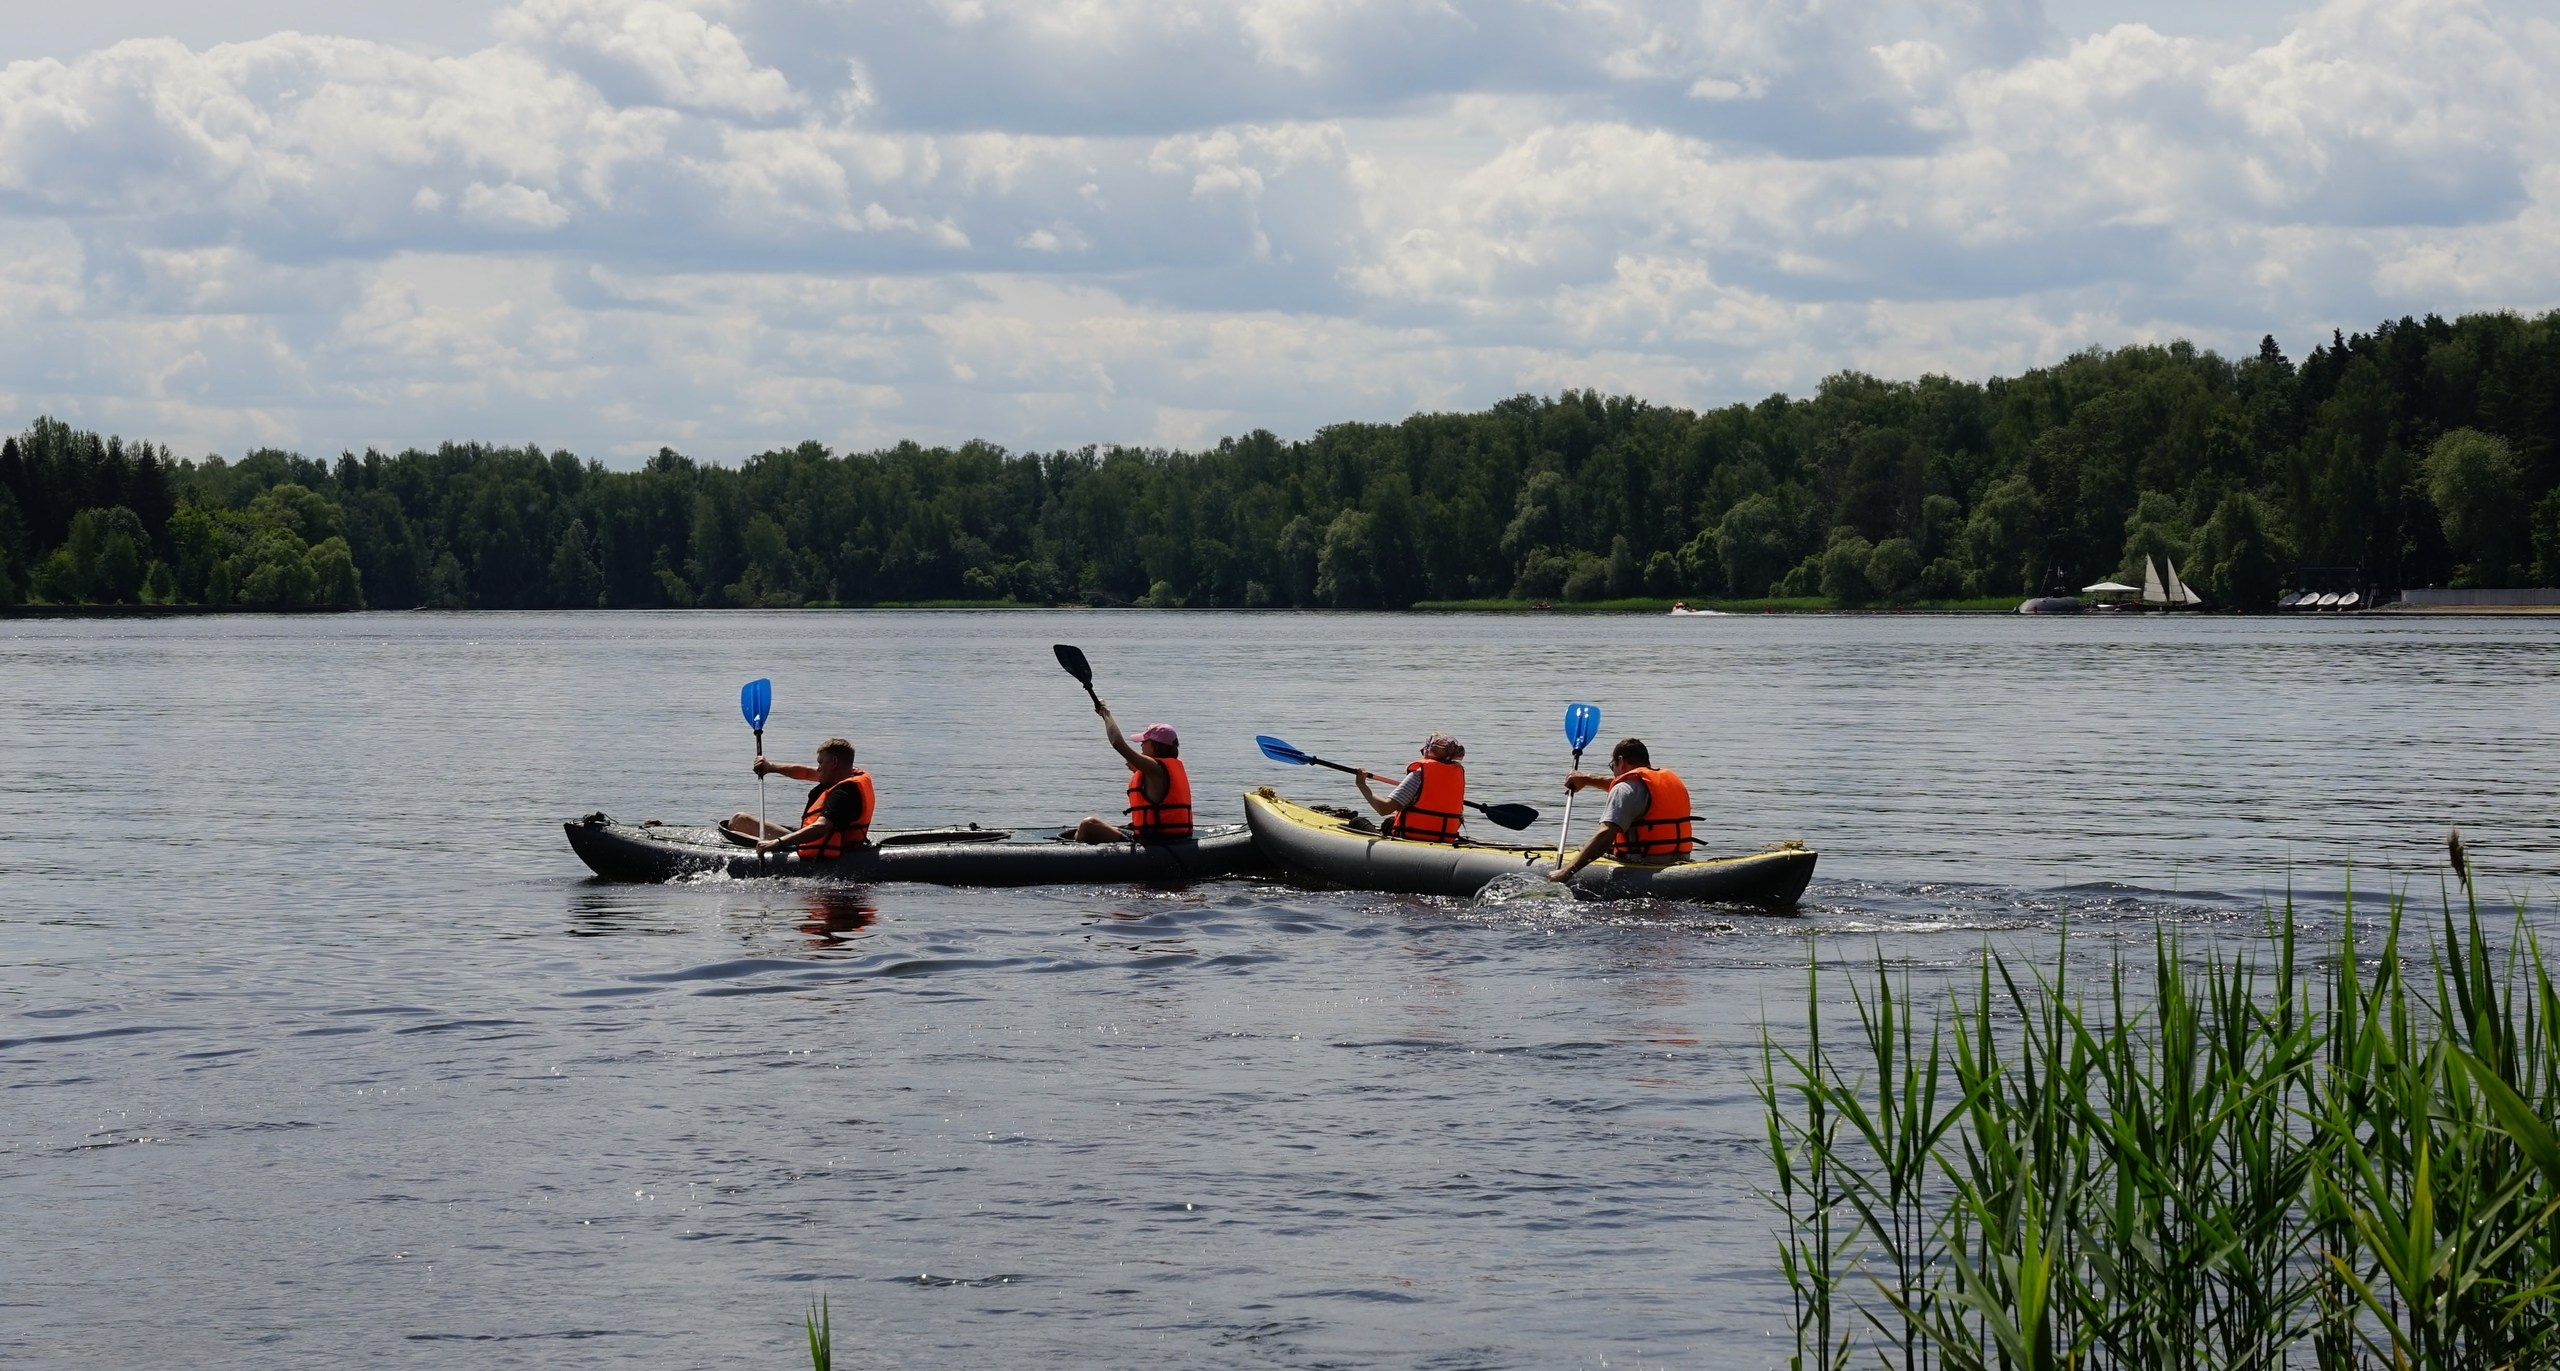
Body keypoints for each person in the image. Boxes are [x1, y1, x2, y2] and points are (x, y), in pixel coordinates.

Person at [1548, 737, 1693, 880]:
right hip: (1681, 859)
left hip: (1643, 862)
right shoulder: (1668, 782)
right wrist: (1586, 779)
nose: (1614, 773)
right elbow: (1628, 788)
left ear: (1621, 761)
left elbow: (1605, 834)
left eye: (1613, 766)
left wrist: (1566, 872)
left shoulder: (1624, 789)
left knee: (1585, 848)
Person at [725, 736, 875, 858]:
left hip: (823, 846)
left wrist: (778, 843)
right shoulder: (845, 775)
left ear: (834, 762)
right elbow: (806, 773)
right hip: (820, 840)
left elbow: (821, 827)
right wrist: (771, 767)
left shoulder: (843, 794)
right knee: (739, 820)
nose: (818, 768)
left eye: (821, 762)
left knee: (738, 826)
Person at [1073, 699, 1192, 843]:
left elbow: (1118, 743)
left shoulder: (1155, 768)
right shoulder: (1158, 769)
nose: (1141, 744)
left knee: (1088, 825)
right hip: (1163, 836)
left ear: (1156, 746)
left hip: (1155, 842)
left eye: (1145, 741)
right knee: (1077, 831)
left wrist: (1106, 714)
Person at [1354, 732, 1467, 844]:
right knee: (1390, 822)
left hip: (1413, 836)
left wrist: (1362, 785)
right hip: (1444, 837)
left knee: (1357, 821)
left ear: (1429, 751)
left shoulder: (1418, 775)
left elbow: (1384, 808)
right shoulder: (1457, 776)